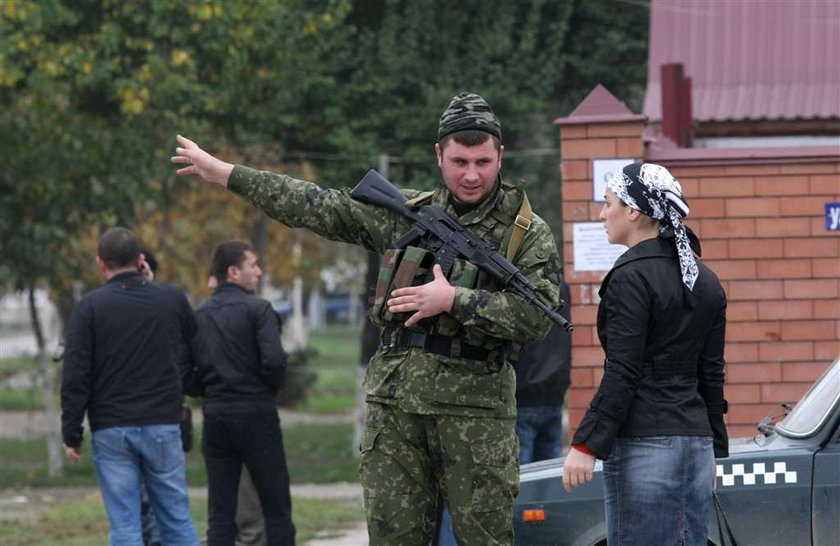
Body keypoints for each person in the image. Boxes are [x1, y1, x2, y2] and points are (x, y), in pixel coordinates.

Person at [172, 91, 563, 546]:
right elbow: (314, 204)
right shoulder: (407, 214)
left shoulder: (526, 233)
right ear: (439, 155)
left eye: (482, 161)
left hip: (476, 415)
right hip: (395, 409)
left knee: (485, 539)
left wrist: (453, 299)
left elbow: (537, 318)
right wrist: (228, 174)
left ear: (500, 155)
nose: (471, 175)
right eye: (460, 161)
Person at [562, 163, 729, 546]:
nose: (602, 214)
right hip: (695, 446)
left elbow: (623, 370)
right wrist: (713, 448)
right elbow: (712, 373)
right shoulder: (706, 280)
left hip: (645, 445)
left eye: (608, 204)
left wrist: (586, 444)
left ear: (633, 211)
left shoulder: (630, 277)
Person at [61, 227, 200, 546]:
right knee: (176, 519)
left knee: (124, 525)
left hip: (112, 428)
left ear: (100, 263)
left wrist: (71, 431)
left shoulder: (90, 308)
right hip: (164, 423)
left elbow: (76, 374)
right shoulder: (171, 299)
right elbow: (191, 345)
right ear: (140, 260)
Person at [192, 240, 295, 545]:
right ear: (234, 272)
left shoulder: (200, 314)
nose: (259, 272)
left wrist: (206, 391)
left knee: (221, 511)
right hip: (256, 412)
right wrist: (268, 389)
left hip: (216, 415)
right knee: (276, 506)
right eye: (253, 265)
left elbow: (184, 369)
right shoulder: (259, 309)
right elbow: (274, 360)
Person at [515, 289, 572, 464]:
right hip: (554, 389)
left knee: (521, 479)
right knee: (551, 476)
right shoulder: (560, 286)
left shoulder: (517, 282)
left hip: (522, 392)